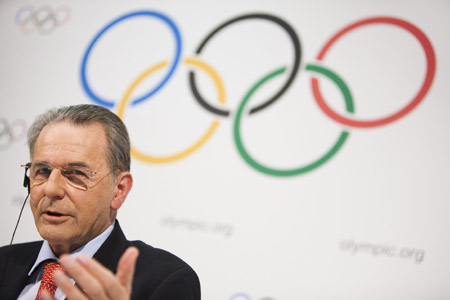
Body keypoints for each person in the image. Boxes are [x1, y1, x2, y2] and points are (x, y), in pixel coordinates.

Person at [0, 104, 201, 300]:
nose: (51, 189)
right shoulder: (4, 261)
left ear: (119, 190)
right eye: (43, 171)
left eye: (75, 174)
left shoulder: (165, 281)